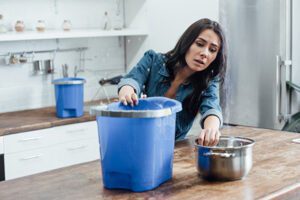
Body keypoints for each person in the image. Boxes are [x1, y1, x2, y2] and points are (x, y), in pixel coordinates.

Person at [117, 18, 227, 146]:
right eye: (200, 44)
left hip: (172, 151)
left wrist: (212, 128)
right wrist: (127, 90)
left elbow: (212, 107)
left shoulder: (207, 82)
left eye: (212, 50)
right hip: (134, 143)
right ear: (187, 42)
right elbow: (132, 79)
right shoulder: (153, 60)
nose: (204, 53)